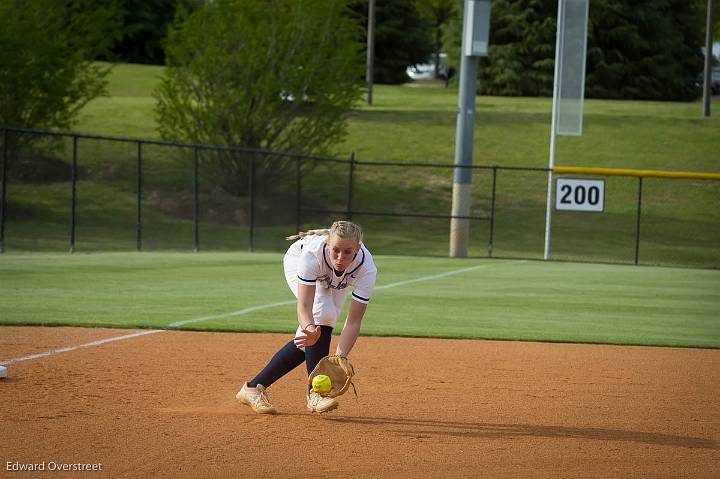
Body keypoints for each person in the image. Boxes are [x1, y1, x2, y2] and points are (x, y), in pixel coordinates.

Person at [236, 220, 377, 414]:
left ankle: (252, 388)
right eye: (335, 250)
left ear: (358, 249)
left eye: (347, 252)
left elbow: (354, 320)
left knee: (318, 329)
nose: (340, 257)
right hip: (297, 259)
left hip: (332, 275)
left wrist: (340, 357)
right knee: (323, 315)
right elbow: (304, 306)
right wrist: (310, 328)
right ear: (327, 244)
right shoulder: (311, 256)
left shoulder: (366, 268)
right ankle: (315, 394)